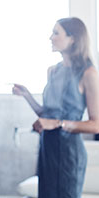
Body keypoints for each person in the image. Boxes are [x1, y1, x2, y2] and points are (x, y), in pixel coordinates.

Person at [12, 17, 99, 198]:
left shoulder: (88, 73)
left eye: (56, 33)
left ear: (73, 39)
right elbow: (47, 115)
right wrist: (27, 96)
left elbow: (95, 124)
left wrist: (58, 123)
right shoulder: (53, 71)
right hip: (47, 149)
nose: (51, 37)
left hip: (69, 154)